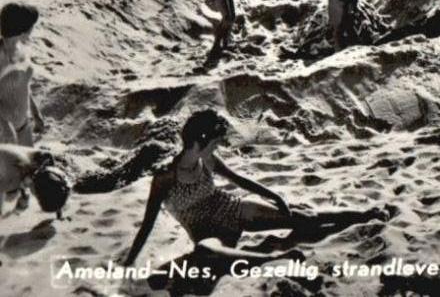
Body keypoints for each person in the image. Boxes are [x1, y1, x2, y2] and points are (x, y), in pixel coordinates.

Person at [124, 110, 389, 267]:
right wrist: (128, 265)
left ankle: (363, 215)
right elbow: (146, 225)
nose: (219, 146)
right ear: (198, 142)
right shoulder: (165, 178)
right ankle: (272, 259)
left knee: (302, 218)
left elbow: (240, 181)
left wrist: (275, 196)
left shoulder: (208, 159)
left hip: (231, 209)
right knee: (206, 251)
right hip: (203, 229)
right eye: (216, 141)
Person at [0, 3, 45, 147]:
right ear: (21, 30)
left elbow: (23, 84)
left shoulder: (23, 50)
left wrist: (36, 114)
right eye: (31, 26)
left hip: (23, 126)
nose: (33, 30)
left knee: (29, 168)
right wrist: (5, 126)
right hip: (4, 131)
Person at [0, 145, 69, 216]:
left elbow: (54, 186)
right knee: (10, 197)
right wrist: (17, 210)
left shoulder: (43, 157)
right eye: (38, 199)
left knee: (11, 196)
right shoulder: (12, 181)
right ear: (36, 192)